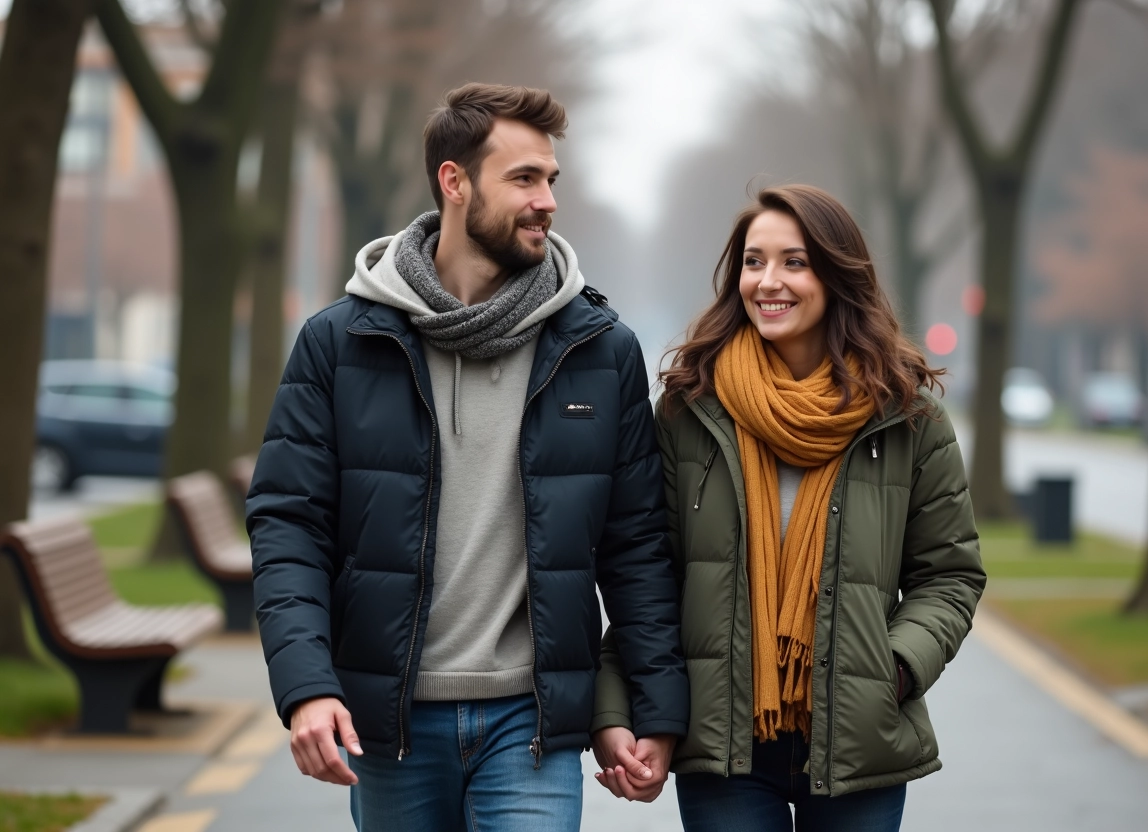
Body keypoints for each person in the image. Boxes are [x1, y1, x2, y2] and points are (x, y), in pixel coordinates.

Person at [247, 83, 688, 831]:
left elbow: (637, 544)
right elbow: (289, 524)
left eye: (551, 179)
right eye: (524, 179)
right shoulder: (340, 343)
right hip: (391, 726)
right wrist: (306, 687)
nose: (547, 199)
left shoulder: (599, 350)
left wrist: (652, 709)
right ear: (455, 182)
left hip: (533, 724)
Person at [590, 184, 985, 831]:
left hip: (859, 741)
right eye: (753, 261)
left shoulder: (908, 417)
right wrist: (616, 708)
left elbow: (950, 574)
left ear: (837, 274)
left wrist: (896, 670)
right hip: (725, 751)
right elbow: (646, 576)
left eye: (794, 262)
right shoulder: (691, 410)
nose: (768, 281)